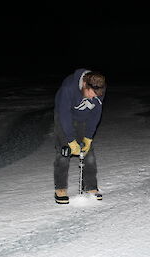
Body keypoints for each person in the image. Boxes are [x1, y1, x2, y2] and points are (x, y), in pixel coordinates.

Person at [54, 68, 107, 204]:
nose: (93, 98)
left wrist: (88, 137)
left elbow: (96, 114)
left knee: (88, 153)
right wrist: (71, 141)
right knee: (64, 152)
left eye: (96, 96)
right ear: (84, 85)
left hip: (83, 118)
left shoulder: (99, 88)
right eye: (91, 94)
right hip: (65, 116)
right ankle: (60, 188)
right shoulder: (68, 88)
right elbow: (64, 115)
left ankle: (90, 187)